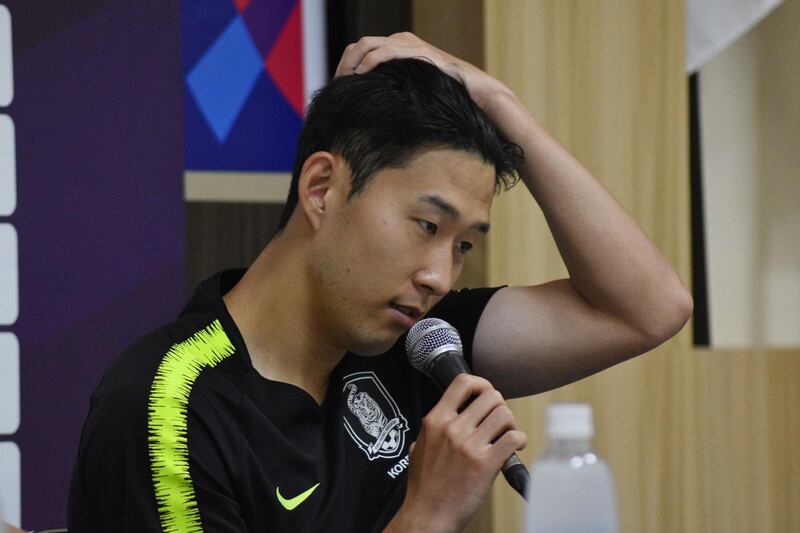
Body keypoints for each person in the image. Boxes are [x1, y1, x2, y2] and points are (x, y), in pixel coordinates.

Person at [68, 34, 692, 532]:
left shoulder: (415, 345)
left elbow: (648, 308)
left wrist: (503, 106)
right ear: (321, 189)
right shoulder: (167, 408)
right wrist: (427, 517)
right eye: (426, 225)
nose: (440, 277)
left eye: (465, 245)